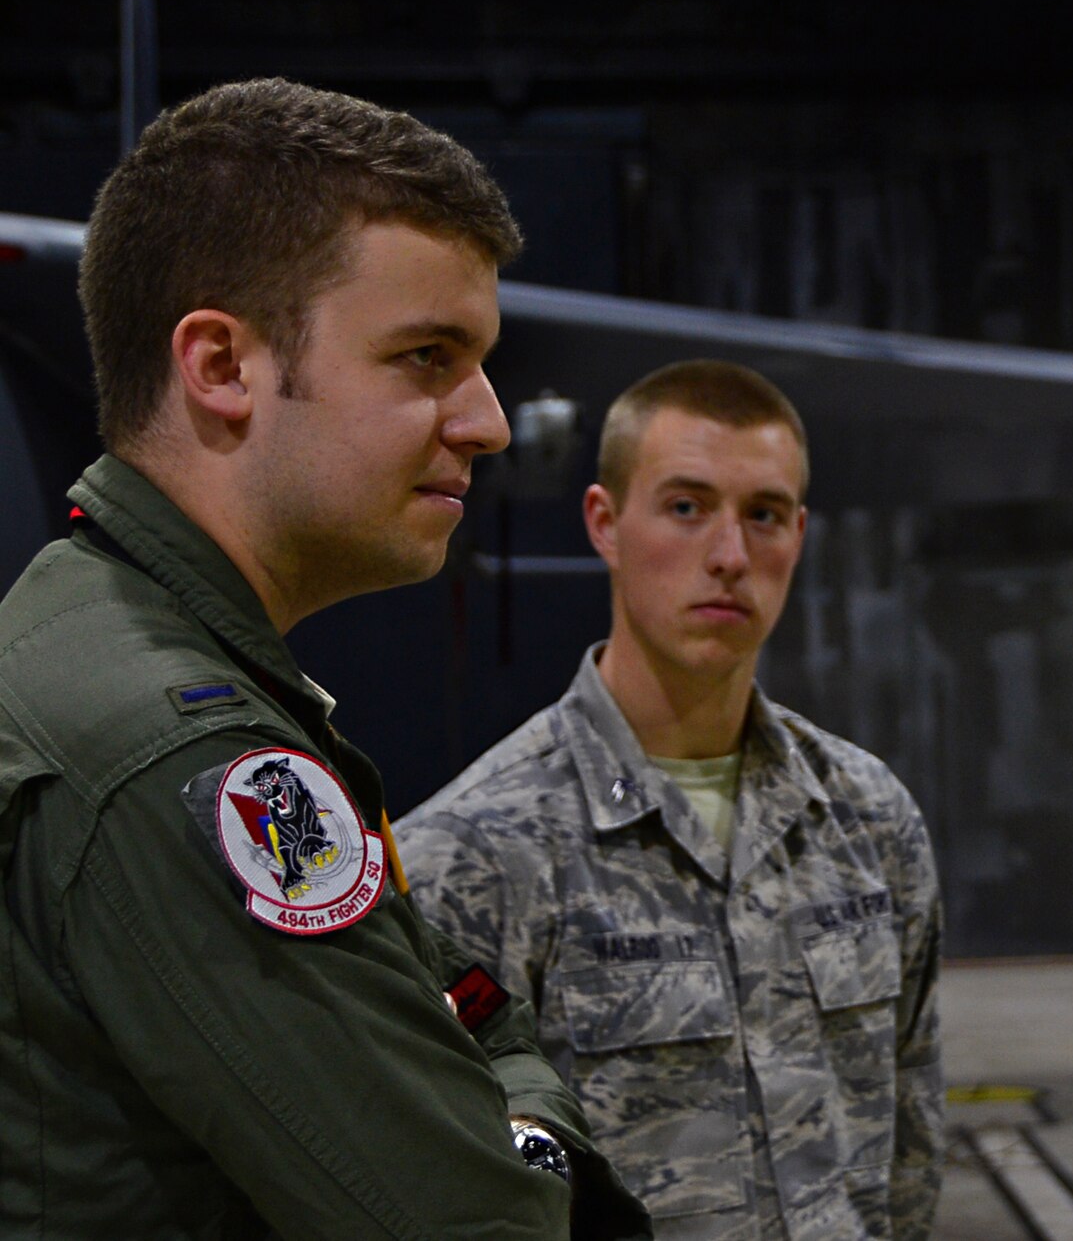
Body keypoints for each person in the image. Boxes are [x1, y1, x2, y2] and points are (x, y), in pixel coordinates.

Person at [0, 78, 650, 1237]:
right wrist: (525, 1118)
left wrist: (492, 1084)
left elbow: (466, 1037)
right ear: (220, 365)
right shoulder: (179, 754)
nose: (490, 421)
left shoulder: (77, 634)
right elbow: (469, 1212)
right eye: (424, 356)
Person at [399, 360, 944, 1239]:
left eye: (763, 515)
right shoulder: (479, 854)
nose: (730, 556)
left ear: (798, 535)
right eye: (686, 507)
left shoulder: (869, 820)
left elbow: (909, 1151)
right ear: (605, 524)